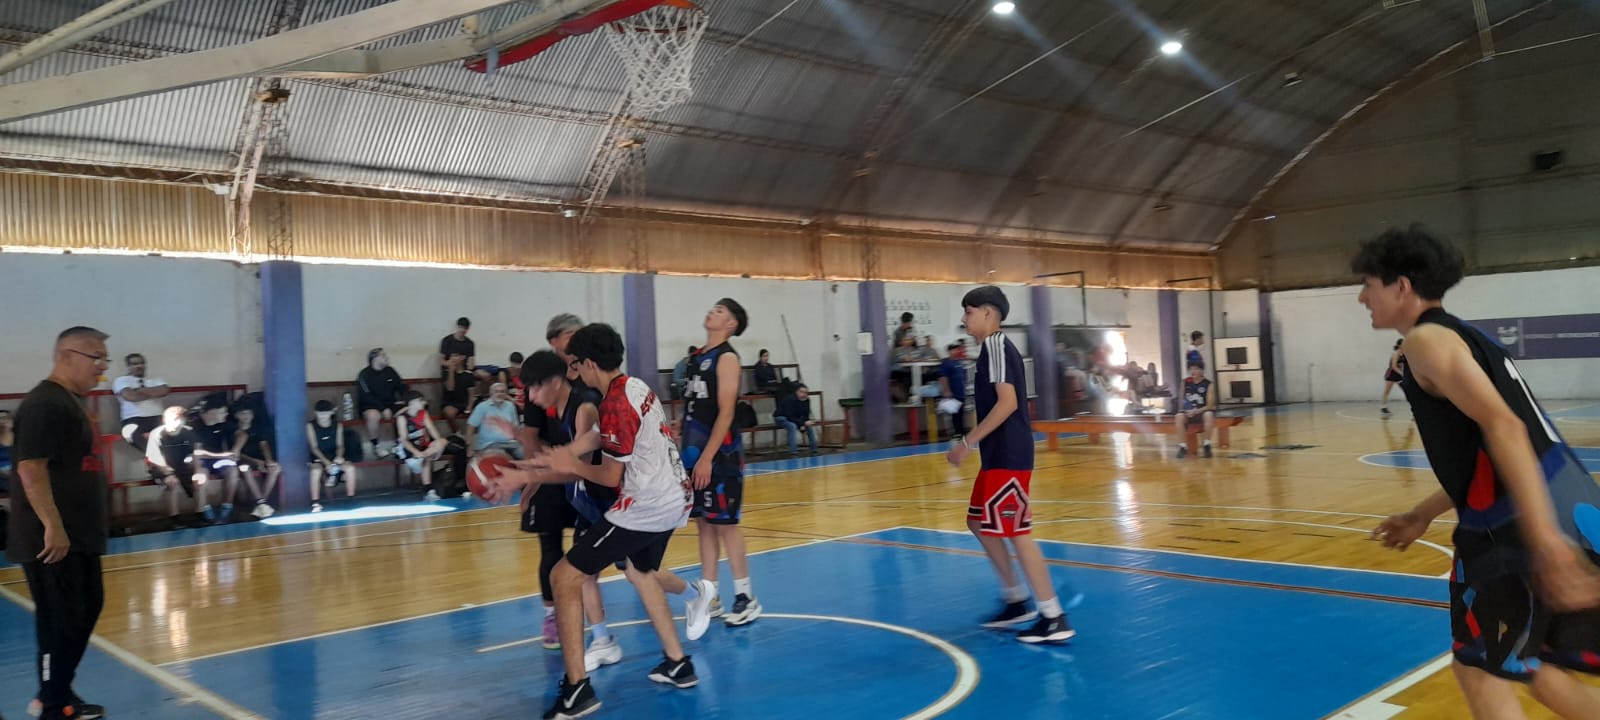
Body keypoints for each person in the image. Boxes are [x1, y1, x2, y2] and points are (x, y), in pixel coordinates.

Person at [1359, 227, 1600, 720]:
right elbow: (1486, 452)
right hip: (1567, 505)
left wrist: (1545, 541)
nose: (1361, 296)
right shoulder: (1467, 338)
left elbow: (1505, 428)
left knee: (1480, 669)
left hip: (1516, 529)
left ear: (1401, 286)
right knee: (1538, 670)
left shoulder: (1425, 341)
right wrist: (1421, 513)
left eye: (1369, 283)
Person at [508, 323, 713, 719]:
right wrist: (542, 464)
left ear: (586, 363)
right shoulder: (632, 387)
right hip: (675, 499)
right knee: (641, 571)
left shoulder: (612, 403)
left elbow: (609, 477)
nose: (575, 373)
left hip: (647, 506)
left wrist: (571, 467)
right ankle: (678, 661)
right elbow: (589, 442)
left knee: (564, 575)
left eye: (576, 365)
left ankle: (576, 691)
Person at [945, 287, 1074, 644]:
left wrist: (966, 443)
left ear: (988, 312)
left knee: (1018, 533)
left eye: (968, 312)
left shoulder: (997, 345)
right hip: (996, 456)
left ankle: (1053, 616)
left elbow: (1008, 403)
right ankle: (1016, 600)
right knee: (976, 520)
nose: (964, 319)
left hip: (1009, 455)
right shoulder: (989, 350)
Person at [7, 326, 112, 720]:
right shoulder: (45, 403)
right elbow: (31, 469)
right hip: (52, 539)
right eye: (95, 357)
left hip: (79, 536)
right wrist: (53, 525)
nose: (101, 367)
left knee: (84, 611)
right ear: (66, 355)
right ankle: (53, 705)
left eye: (105, 359)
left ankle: (58, 692)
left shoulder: (71, 401)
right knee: (60, 622)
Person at [496, 350, 624, 672]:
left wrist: (525, 476)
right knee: (581, 574)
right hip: (589, 502)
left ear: (555, 382)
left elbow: (574, 466)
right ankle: (603, 641)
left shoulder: (584, 409)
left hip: (612, 501)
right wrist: (526, 473)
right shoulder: (558, 409)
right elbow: (558, 457)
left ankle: (694, 593)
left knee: (641, 573)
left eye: (535, 390)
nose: (532, 398)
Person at [684, 298, 761, 625]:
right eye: (711, 307)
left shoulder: (727, 358)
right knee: (704, 523)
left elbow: (726, 412)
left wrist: (707, 457)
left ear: (730, 324)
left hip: (720, 455)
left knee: (726, 524)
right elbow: (699, 408)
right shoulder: (696, 358)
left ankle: (746, 597)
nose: (711, 311)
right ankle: (710, 595)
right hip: (694, 450)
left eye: (719, 311)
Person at [519, 313, 588, 649]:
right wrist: (535, 475)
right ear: (554, 342)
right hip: (550, 473)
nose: (572, 341)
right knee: (550, 547)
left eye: (577, 334)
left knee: (588, 549)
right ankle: (552, 615)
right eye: (566, 336)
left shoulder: (590, 379)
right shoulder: (542, 378)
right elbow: (530, 435)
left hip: (586, 473)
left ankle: (584, 613)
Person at [146, 406, 216, 528]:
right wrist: (168, 474)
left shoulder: (189, 432)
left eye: (179, 419)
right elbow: (154, 458)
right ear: (164, 420)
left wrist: (198, 470)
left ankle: (200, 514)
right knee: (173, 483)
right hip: (162, 468)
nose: (175, 422)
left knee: (201, 479)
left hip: (183, 466)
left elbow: (196, 452)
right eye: (172, 419)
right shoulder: (156, 434)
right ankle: (175, 518)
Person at [192, 400, 244, 523]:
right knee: (200, 478)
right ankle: (203, 509)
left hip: (220, 459)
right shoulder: (197, 427)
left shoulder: (224, 424)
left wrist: (236, 449)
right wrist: (223, 455)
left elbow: (242, 435)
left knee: (232, 471)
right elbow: (197, 453)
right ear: (211, 412)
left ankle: (227, 506)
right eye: (222, 412)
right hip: (202, 459)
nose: (225, 415)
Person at [112, 353, 169, 453]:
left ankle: (160, 464)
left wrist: (139, 390)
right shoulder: (121, 380)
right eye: (134, 364)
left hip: (158, 418)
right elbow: (131, 396)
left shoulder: (156, 380)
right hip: (134, 420)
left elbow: (164, 391)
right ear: (128, 367)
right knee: (150, 449)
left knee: (171, 445)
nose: (139, 366)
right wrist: (152, 393)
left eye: (141, 363)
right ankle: (156, 462)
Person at [307, 400, 358, 512]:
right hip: (319, 457)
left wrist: (338, 458)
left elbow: (340, 445)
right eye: (320, 413)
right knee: (315, 471)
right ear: (315, 413)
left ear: (331, 412)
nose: (323, 416)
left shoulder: (338, 425)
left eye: (325, 413)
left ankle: (351, 499)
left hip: (334, 456)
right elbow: (314, 448)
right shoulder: (310, 426)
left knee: (350, 468)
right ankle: (315, 503)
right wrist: (327, 463)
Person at [395, 391, 446, 501]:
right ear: (412, 403)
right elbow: (404, 440)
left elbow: (432, 430)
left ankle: (429, 491)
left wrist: (438, 443)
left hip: (423, 447)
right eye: (420, 401)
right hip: (408, 449)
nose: (424, 402)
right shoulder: (402, 418)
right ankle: (423, 457)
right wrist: (415, 452)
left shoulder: (423, 413)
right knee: (426, 458)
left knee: (443, 441)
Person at [231, 404, 279, 518]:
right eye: (243, 413)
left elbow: (264, 445)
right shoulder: (233, 430)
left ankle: (261, 503)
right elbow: (236, 453)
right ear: (236, 415)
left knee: (275, 468)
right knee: (245, 468)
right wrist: (255, 461)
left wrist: (268, 460)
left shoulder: (258, 428)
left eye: (249, 413)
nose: (246, 416)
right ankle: (262, 503)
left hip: (259, 460)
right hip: (242, 460)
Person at [356, 347, 407, 458]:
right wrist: (383, 408)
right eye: (383, 355)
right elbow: (366, 396)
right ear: (375, 359)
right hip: (370, 405)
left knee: (407, 410)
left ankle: (399, 445)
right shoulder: (364, 374)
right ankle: (376, 446)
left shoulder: (390, 371)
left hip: (390, 404)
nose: (387, 357)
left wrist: (406, 400)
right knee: (373, 415)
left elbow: (402, 387)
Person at [467, 382, 523, 459]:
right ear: (490, 393)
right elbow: (471, 426)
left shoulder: (510, 406)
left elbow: (515, 426)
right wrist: (469, 447)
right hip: (490, 444)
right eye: (496, 391)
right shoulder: (482, 407)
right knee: (502, 457)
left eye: (502, 391)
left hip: (511, 443)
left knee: (527, 455)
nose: (499, 394)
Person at [439, 317, 477, 429]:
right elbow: (441, 361)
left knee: (482, 375)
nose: (462, 330)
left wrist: (468, 367)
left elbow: (471, 363)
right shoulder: (447, 341)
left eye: (465, 328)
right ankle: (457, 433)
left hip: (464, 373)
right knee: (449, 411)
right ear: (457, 327)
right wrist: (451, 365)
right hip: (450, 372)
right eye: (461, 328)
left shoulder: (469, 343)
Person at [1174, 364, 1216, 459]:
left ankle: (1207, 445)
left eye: (1196, 369)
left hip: (1201, 411)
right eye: (1191, 369)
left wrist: (1196, 411)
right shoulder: (1185, 382)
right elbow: (1181, 399)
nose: (1193, 371)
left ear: (1201, 371)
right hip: (1188, 411)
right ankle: (1182, 447)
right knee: (1178, 416)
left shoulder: (1208, 384)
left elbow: (1210, 405)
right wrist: (1182, 411)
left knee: (1209, 414)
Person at [773, 384, 818, 455]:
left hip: (795, 418)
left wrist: (804, 423)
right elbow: (789, 416)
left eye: (806, 392)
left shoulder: (807, 400)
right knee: (792, 426)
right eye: (802, 392)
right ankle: (793, 451)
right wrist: (802, 423)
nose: (804, 394)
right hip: (781, 417)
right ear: (797, 392)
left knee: (809, 425)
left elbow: (806, 414)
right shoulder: (790, 399)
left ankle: (814, 449)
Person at [939, 342, 969, 437]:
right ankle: (956, 432)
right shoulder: (946, 363)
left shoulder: (959, 362)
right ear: (949, 351)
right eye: (953, 349)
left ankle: (961, 430)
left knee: (961, 413)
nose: (956, 351)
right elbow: (943, 378)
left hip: (961, 392)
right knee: (954, 413)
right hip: (953, 392)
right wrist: (946, 391)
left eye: (957, 349)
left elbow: (963, 376)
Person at [1380, 338, 1405, 415]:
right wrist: (1402, 374)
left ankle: (1414, 408)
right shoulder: (1395, 354)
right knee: (1387, 391)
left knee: (1407, 391)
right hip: (1392, 374)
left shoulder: (1404, 354)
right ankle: (1383, 407)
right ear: (1399, 345)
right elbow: (1394, 366)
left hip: (1399, 374)